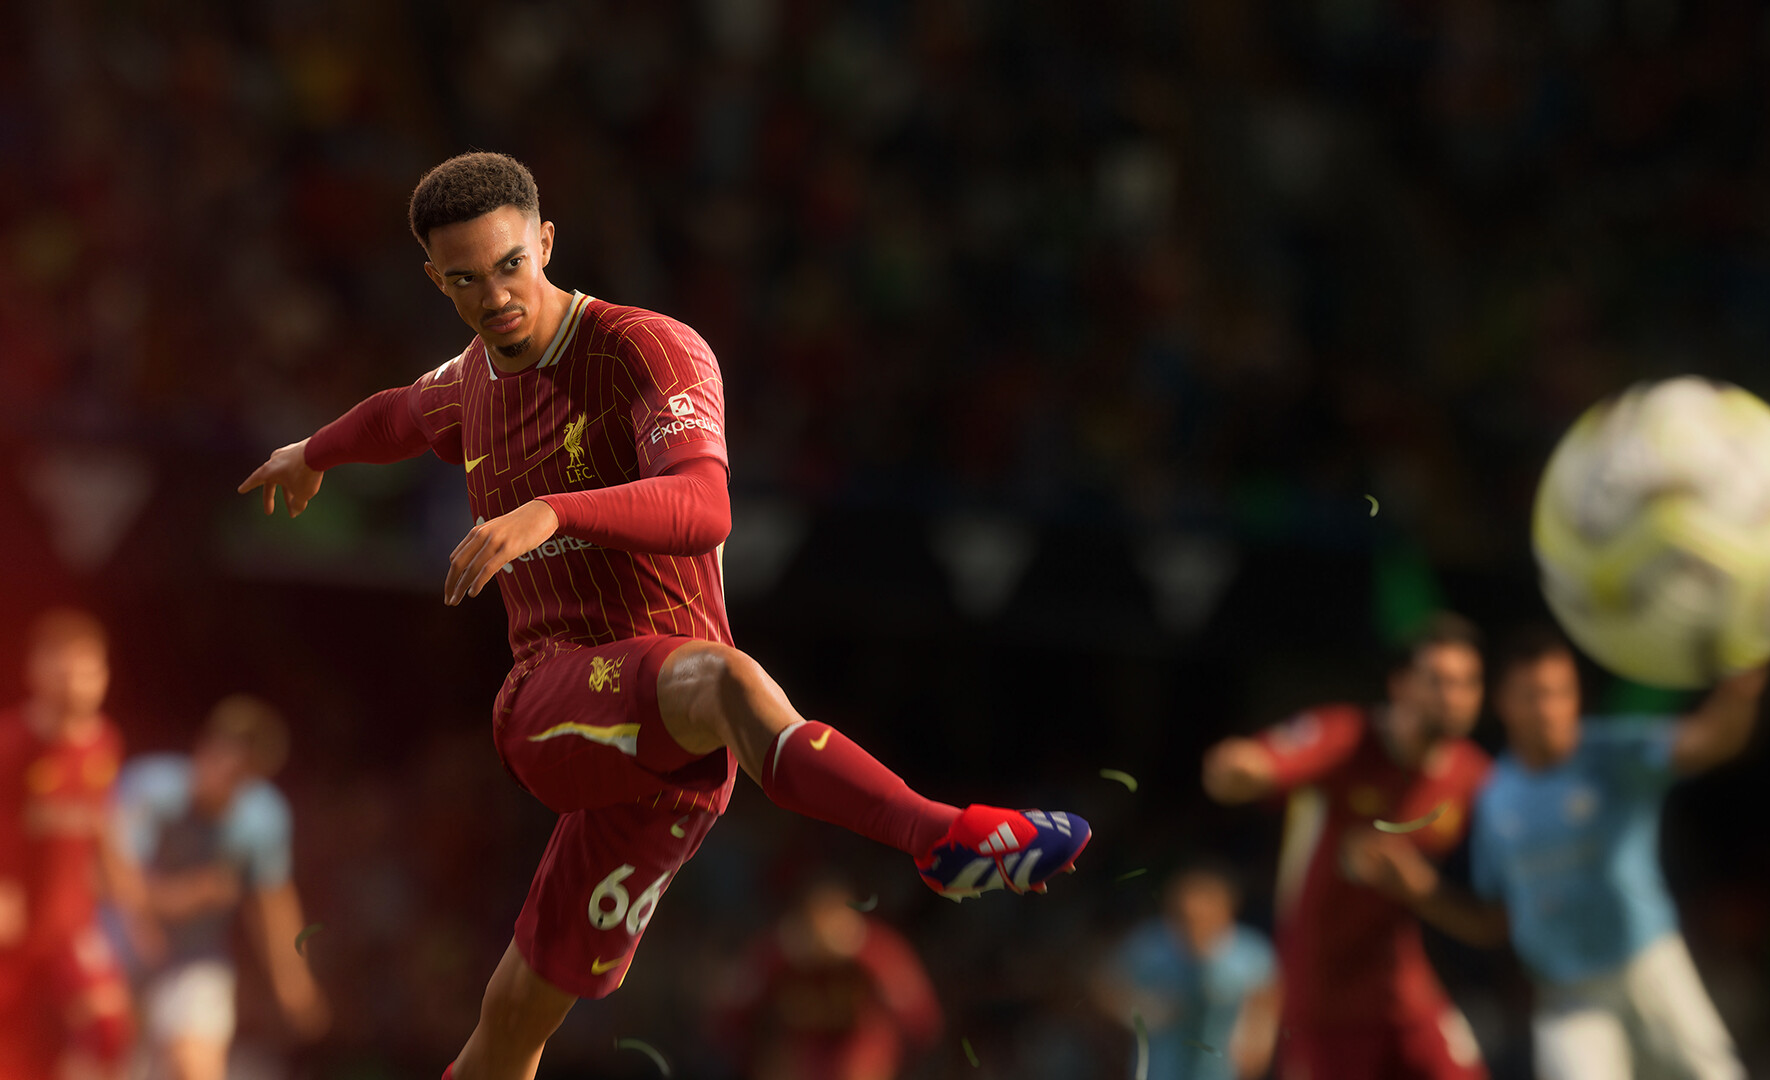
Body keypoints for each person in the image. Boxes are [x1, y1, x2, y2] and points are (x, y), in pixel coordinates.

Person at [236, 151, 1090, 1080]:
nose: (497, 296)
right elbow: (398, 415)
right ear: (438, 280)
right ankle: (940, 837)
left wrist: (553, 510)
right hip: (553, 697)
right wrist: (312, 452)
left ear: (545, 242)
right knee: (721, 678)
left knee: (514, 1021)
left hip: (677, 771)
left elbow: (705, 506)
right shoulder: (467, 383)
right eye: (467, 279)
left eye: (511, 265)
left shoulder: (647, 349)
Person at [1343, 626, 1767, 1080]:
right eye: (1532, 695)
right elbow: (1492, 922)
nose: (1548, 708)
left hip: (1650, 970)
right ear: (1504, 702)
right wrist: (1418, 888)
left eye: (1559, 692)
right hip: (1568, 998)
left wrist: (1739, 692)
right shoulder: (1493, 795)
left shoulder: (1611, 755)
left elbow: (1708, 742)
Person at [1201, 612, 1492, 1080]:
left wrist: (1419, 888)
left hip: (1407, 993)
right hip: (1323, 1005)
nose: (1453, 697)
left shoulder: (1474, 777)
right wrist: (1238, 769)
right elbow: (1260, 765)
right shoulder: (1346, 737)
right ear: (1400, 685)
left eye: (1467, 683)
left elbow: (1491, 917)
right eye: (1438, 681)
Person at [115, 693, 330, 1080]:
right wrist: (177, 900)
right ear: (203, 745)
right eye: (220, 755)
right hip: (118, 950)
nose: (223, 771)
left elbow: (272, 901)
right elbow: (110, 870)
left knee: (194, 1068)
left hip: (195, 961)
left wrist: (293, 982)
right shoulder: (148, 786)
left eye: (240, 769)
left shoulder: (263, 818)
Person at [0, 608, 142, 1080]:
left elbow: (101, 823)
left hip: (71, 924)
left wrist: (131, 902)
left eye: (87, 673)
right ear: (35, 672)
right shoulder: (10, 741)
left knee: (108, 1028)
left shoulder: (104, 741)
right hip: (12, 927)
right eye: (64, 673)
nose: (76, 686)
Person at [710, 877, 942, 1080]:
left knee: (860, 1057)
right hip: (800, 1051)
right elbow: (731, 1016)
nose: (824, 933)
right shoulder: (776, 954)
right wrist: (752, 1058)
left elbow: (920, 1017)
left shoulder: (877, 952)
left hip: (859, 1050)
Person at [1095, 863, 1280, 1080]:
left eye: (1204, 918)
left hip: (1220, 1071)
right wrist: (1144, 1010)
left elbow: (1266, 1008)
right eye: (1184, 918)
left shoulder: (1251, 955)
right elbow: (1106, 988)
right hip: (1159, 1070)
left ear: (1226, 911)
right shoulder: (1150, 947)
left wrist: (1256, 1043)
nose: (1194, 928)